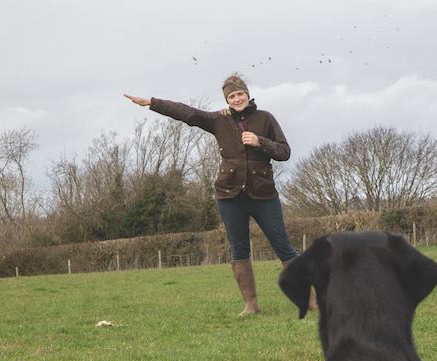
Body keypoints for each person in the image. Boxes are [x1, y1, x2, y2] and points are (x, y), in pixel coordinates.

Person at [124, 73, 317, 316]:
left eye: (240, 94)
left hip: (264, 194)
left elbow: (285, 151)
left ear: (247, 95)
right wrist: (152, 103)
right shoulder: (219, 120)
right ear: (227, 99)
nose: (237, 99)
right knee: (239, 250)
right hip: (229, 196)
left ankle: (310, 301)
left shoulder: (266, 118)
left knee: (285, 248)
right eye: (232, 96)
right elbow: (187, 113)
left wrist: (260, 142)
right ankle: (251, 305)